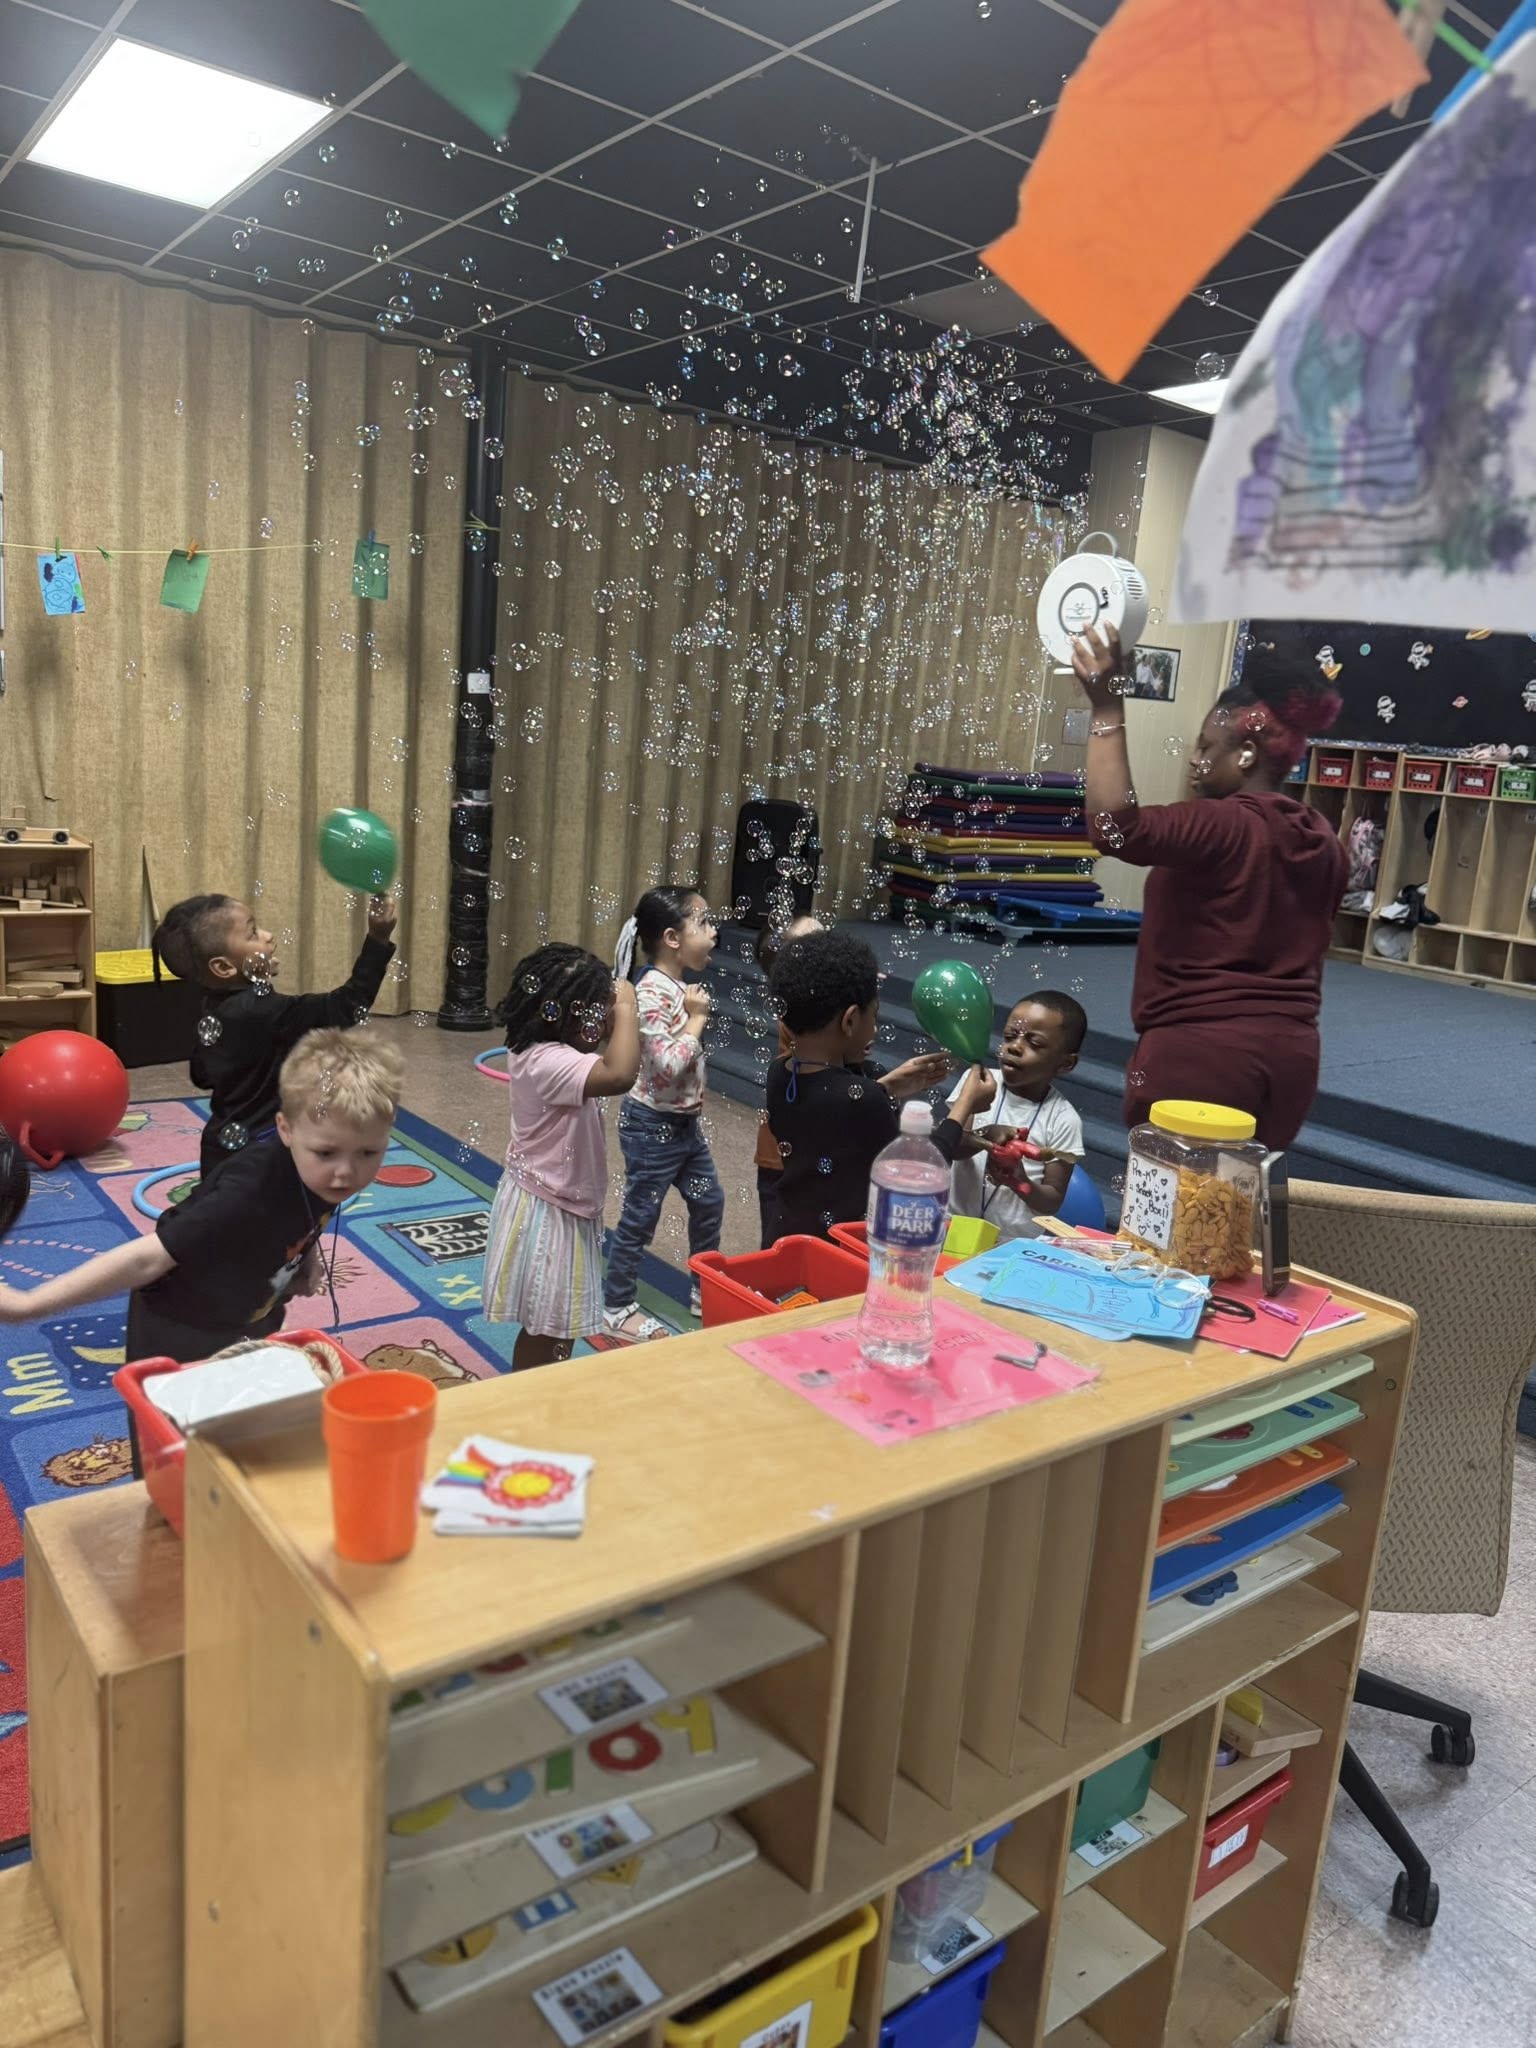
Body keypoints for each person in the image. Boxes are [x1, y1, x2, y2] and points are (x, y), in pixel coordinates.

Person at [1075, 627, 1346, 1149]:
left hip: (1199, 1057)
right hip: (1292, 1060)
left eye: (1205, 747)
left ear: (1246, 753)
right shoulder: (1325, 838)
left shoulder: (1224, 824)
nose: (1194, 761)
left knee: (1174, 1220)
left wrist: (1107, 709)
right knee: (1237, 1215)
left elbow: (1113, 829)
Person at [0, 1028, 402, 1363]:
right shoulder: (245, 1194)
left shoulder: (323, 1169)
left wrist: (305, 1259)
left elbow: (307, 1207)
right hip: (183, 1326)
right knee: (177, 1437)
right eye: (327, 1153)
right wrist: (29, 1304)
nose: (347, 1172)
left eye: (369, 1152)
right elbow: (146, 1259)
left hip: (253, 1310)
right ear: (286, 1129)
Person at [154, 890, 398, 1177]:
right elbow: (348, 1005)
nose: (268, 936)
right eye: (253, 933)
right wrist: (378, 939)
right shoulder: (265, 1011)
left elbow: (202, 1075)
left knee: (224, 1216)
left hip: (221, 1149)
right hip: (265, 1152)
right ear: (223, 967)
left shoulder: (213, 1005)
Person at [485, 944, 640, 1371]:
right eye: (589, 1013)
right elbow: (620, 1073)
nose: (601, 1021)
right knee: (548, 1329)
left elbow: (609, 1052)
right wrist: (626, 1005)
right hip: (550, 1209)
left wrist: (611, 1016)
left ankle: (541, 1388)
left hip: (555, 1197)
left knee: (558, 1326)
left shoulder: (542, 1048)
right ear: (557, 1016)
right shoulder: (550, 1062)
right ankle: (529, 1394)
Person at [765, 929, 952, 1241]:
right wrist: (964, 1112)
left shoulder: (779, 1072)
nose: (874, 1028)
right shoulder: (864, 1099)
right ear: (850, 1020)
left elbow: (833, 1105)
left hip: (788, 1231)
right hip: (840, 1246)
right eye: (873, 1017)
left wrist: (886, 1087)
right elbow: (917, 1170)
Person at [603, 887, 723, 1342]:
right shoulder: (652, 990)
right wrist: (695, 1019)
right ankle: (616, 1303)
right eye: (704, 924)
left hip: (683, 1124)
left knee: (709, 1201)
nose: (714, 933)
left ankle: (702, 1288)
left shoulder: (678, 987)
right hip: (651, 1125)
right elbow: (669, 1063)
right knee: (640, 1215)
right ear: (672, 937)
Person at [934, 993, 1087, 1238]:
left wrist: (1018, 1180)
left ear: (1066, 1063)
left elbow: (1052, 1200)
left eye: (1034, 1043)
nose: (1014, 1047)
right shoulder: (979, 1083)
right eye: (1009, 1036)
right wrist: (985, 1137)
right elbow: (950, 1146)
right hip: (952, 1229)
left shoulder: (1064, 1119)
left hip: (1011, 1245)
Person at [752, 914, 823, 1248]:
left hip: (815, 1151)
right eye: (818, 946)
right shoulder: (798, 1014)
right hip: (783, 1155)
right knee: (779, 1250)